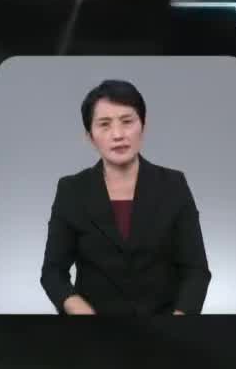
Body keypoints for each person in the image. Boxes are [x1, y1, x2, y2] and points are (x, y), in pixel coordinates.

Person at [40, 80, 211, 315]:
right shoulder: (71, 190)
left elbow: (196, 270)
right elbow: (52, 272)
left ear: (143, 125)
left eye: (127, 121)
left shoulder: (174, 184)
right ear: (90, 136)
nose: (118, 134)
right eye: (104, 125)